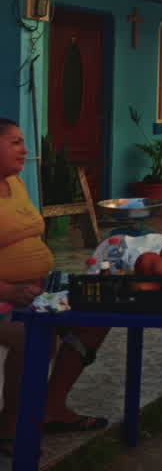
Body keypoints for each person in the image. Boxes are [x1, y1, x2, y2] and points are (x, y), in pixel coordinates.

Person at [0, 119, 109, 451]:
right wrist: (8, 290)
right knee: (33, 338)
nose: (25, 149)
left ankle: (52, 407)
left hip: (35, 288)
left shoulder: (16, 183)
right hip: (4, 295)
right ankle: (10, 425)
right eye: (15, 142)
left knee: (97, 316)